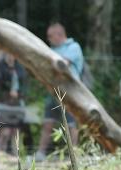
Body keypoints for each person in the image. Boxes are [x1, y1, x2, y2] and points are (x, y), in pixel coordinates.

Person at [34, 22, 83, 161]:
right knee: (47, 123)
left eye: (50, 36)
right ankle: (41, 154)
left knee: (71, 125)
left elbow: (61, 65)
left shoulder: (73, 47)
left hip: (70, 94)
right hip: (52, 93)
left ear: (59, 34)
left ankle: (73, 156)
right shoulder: (52, 49)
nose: (49, 39)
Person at [0, 51, 26, 153]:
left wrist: (19, 95)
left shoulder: (20, 68)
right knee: (5, 132)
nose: (11, 57)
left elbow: (24, 85)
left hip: (17, 105)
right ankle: (0, 154)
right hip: (3, 104)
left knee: (16, 133)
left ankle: (16, 157)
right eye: (8, 54)